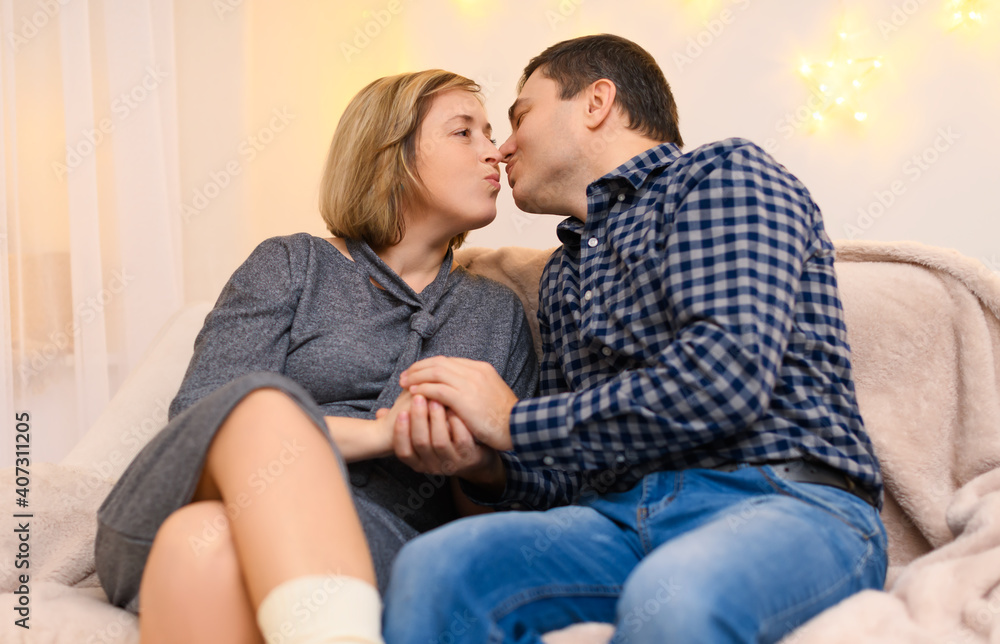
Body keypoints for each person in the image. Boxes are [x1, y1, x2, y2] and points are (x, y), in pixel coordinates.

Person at [382, 34, 887, 644]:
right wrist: (486, 464)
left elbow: (723, 379)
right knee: (438, 568)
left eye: (520, 117)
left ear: (596, 102)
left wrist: (513, 422)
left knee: (677, 595)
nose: (504, 148)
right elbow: (566, 474)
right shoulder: (565, 273)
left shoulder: (720, 176)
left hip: (785, 500)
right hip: (620, 522)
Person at [94, 69, 537, 644]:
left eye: (491, 132)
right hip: (169, 506)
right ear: (391, 155)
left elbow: (510, 516)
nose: (496, 152)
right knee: (259, 407)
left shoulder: (497, 312)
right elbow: (206, 421)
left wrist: (470, 463)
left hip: (376, 542)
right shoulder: (291, 266)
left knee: (202, 542)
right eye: (464, 133)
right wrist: (385, 434)